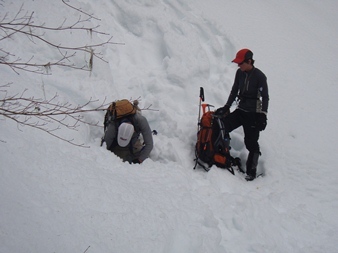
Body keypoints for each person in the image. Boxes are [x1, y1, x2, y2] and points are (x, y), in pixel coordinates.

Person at [216, 48, 269, 181]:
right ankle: (223, 155)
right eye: (238, 64)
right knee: (222, 126)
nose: (239, 66)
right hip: (241, 110)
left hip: (253, 114)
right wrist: (227, 106)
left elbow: (265, 97)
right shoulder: (239, 73)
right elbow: (234, 91)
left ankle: (251, 171)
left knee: (251, 143)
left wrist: (263, 115)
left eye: (241, 63)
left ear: (249, 61)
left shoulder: (260, 76)